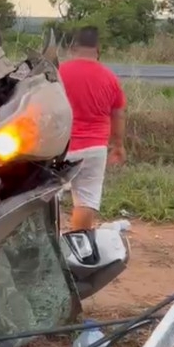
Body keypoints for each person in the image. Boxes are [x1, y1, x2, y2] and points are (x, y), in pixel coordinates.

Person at [58, 26, 126, 230]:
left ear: (73, 47)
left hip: (61, 149)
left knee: (48, 196)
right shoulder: (110, 78)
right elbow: (118, 114)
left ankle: (50, 244)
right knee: (86, 199)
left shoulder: (59, 73)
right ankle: (79, 246)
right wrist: (118, 145)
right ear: (98, 49)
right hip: (95, 148)